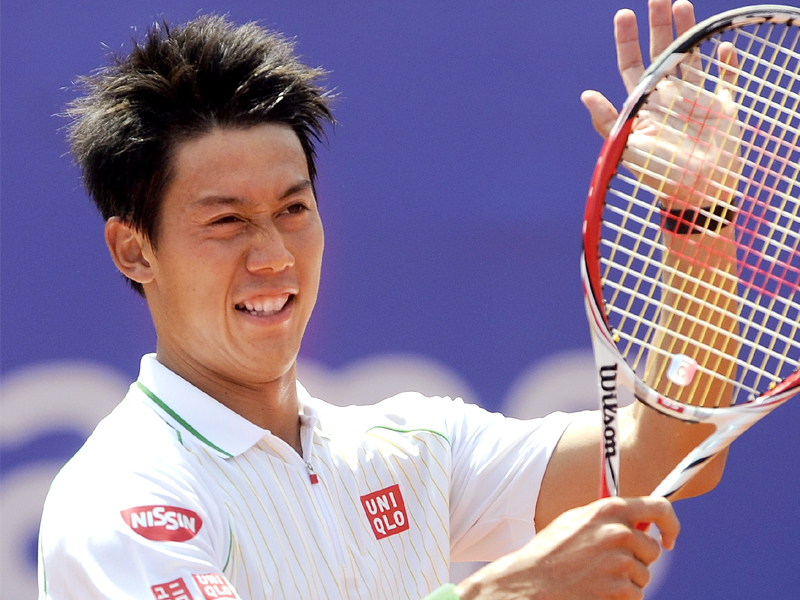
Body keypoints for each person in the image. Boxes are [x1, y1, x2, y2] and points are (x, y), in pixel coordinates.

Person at [38, 1, 731, 598]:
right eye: (226, 221)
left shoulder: (409, 446)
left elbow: (665, 451)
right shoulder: (123, 498)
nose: (274, 255)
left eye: (293, 209)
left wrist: (699, 220)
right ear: (135, 250)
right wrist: (498, 592)